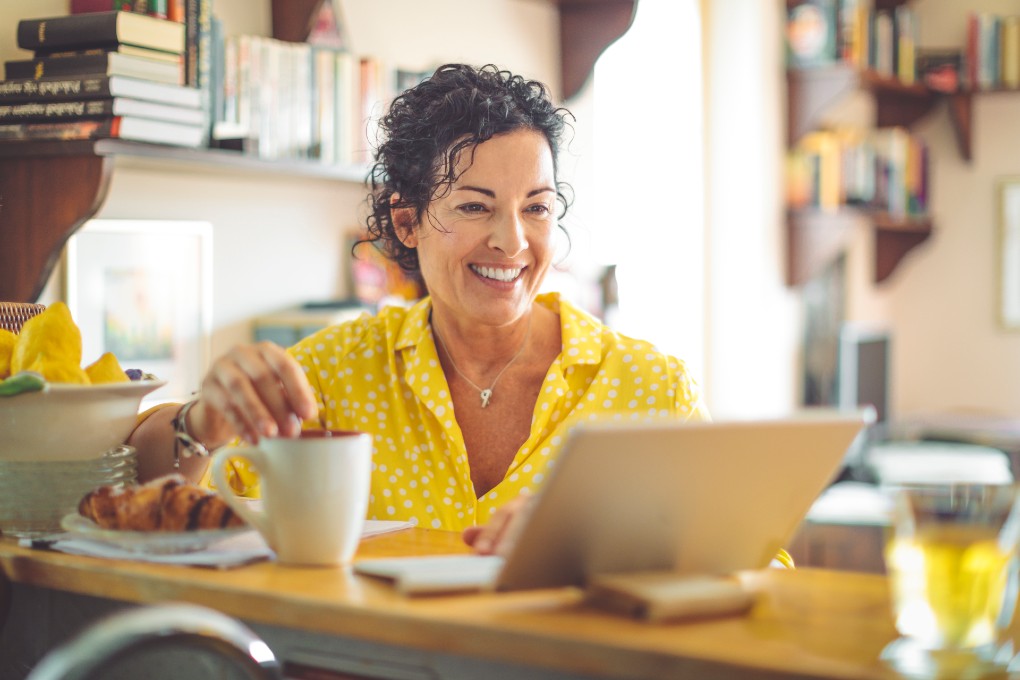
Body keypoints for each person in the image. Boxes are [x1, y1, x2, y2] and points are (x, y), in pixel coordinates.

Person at [127, 63, 709, 554]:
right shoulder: (332, 373)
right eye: (475, 207)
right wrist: (199, 423)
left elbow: (756, 571)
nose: (512, 241)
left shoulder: (652, 390)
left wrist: (600, 555)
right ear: (406, 222)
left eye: (537, 208)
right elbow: (140, 488)